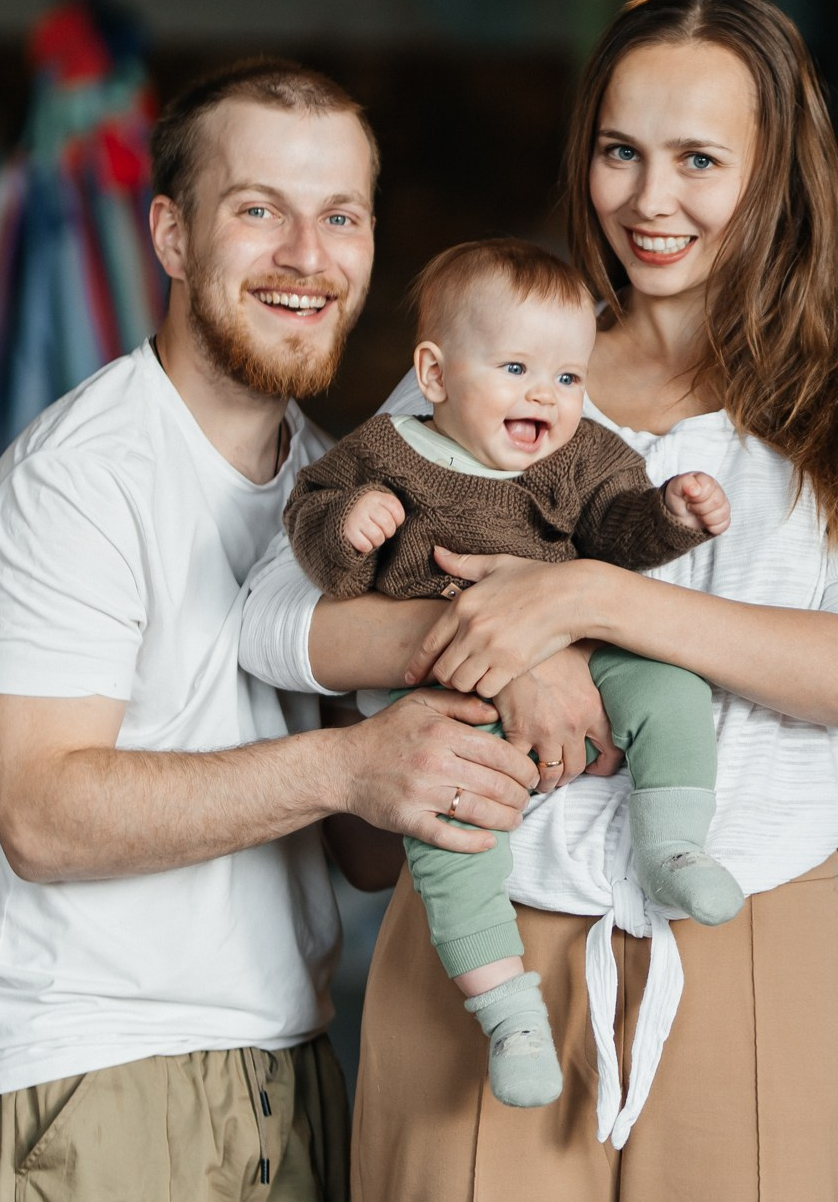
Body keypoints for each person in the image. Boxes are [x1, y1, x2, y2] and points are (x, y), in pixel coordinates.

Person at [241, 0, 838, 1202]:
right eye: (621, 150)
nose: (654, 199)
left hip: (752, 939)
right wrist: (497, 649)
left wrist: (581, 597)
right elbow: (285, 622)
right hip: (483, 947)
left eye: (701, 159)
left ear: (776, 176)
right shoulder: (494, 364)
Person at [0, 59, 539, 1202]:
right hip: (90, 1083)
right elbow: (41, 813)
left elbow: (362, 847)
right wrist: (350, 760)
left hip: (285, 1072)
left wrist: (460, 713)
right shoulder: (81, 483)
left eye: (343, 216)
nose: (308, 256)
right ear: (171, 232)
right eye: (259, 210)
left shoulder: (343, 489)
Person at [282, 235, 739, 1110]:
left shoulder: (581, 458)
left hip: (586, 666)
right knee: (451, 842)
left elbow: (620, 535)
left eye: (569, 377)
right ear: (437, 373)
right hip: (449, 702)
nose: (547, 395)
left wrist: (670, 517)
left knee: (672, 687)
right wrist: (351, 526)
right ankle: (508, 1015)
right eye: (519, 367)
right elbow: (313, 538)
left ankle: (674, 842)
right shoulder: (384, 454)